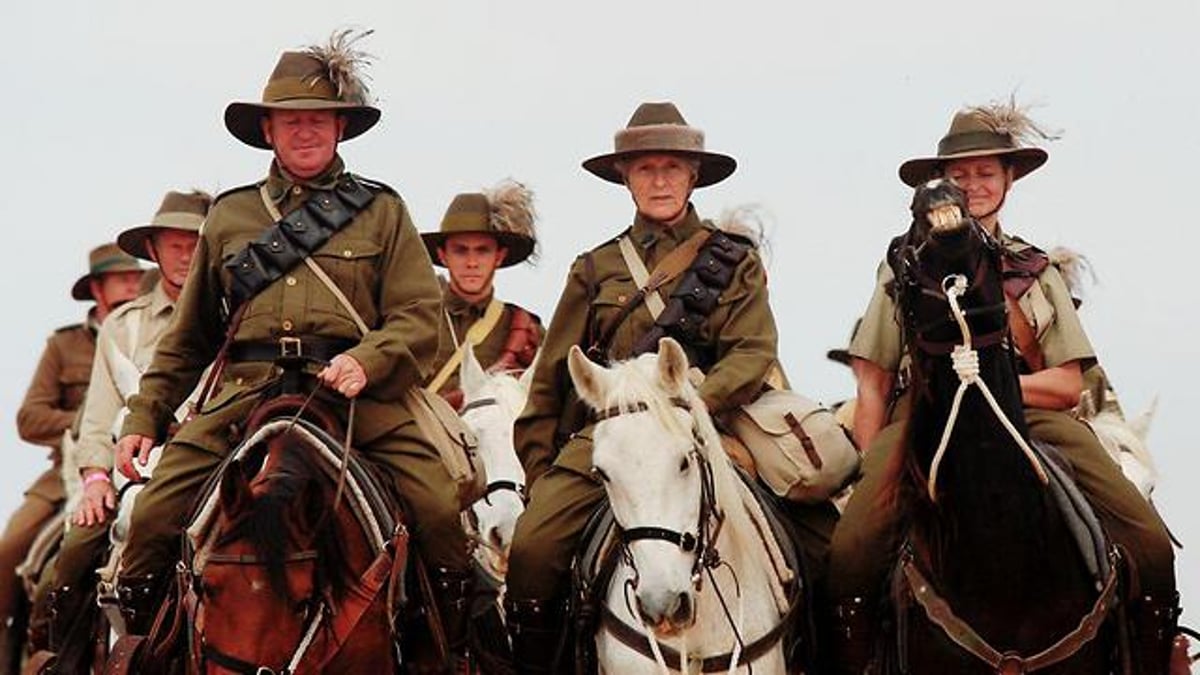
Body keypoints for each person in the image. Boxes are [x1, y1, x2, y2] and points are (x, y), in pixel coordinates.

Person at [111, 33, 472, 671]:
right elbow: (189, 338)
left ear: (339, 129)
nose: (305, 131)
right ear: (269, 131)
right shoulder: (229, 217)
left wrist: (371, 359)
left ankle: (450, 649)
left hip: (355, 393)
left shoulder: (384, 211)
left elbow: (421, 319)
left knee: (440, 510)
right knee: (154, 517)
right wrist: (145, 418)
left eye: (319, 120)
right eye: (291, 120)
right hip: (247, 392)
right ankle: (149, 651)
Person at [826, 100, 1178, 674]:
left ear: (1009, 180)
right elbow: (874, 377)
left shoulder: (1036, 271)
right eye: (959, 177)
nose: (973, 186)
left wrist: (995, 387)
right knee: (848, 552)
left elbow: (1067, 384)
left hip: (1030, 414)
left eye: (986, 173)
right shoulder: (904, 268)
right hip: (924, 417)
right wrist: (870, 466)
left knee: (1149, 544)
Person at [504, 101, 838, 673]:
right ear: (625, 178)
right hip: (618, 429)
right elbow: (555, 378)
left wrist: (693, 402)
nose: (659, 180)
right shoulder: (595, 267)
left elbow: (753, 350)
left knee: (828, 547)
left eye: (672, 168)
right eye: (645, 168)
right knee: (533, 551)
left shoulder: (734, 261)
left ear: (692, 176)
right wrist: (543, 473)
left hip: (714, 421)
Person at [25, 190, 209, 666]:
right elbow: (98, 418)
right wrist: (95, 479)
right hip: (132, 471)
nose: (186, 254)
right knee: (71, 556)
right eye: (175, 244)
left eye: (196, 241)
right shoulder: (121, 328)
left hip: (211, 463)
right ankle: (63, 659)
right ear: (154, 250)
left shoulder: (233, 316)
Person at [2, 244, 141, 669]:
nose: (132, 286)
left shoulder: (157, 329)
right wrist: (89, 419)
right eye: (122, 280)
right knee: (10, 551)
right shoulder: (64, 346)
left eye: (137, 278)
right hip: (68, 469)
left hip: (140, 459)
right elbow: (30, 419)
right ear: (97, 289)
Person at [420, 182, 543, 410]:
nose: (472, 262)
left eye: (482, 250)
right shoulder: (415, 316)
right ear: (443, 255)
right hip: (418, 440)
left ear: (499, 256)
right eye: (460, 250)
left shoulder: (523, 328)